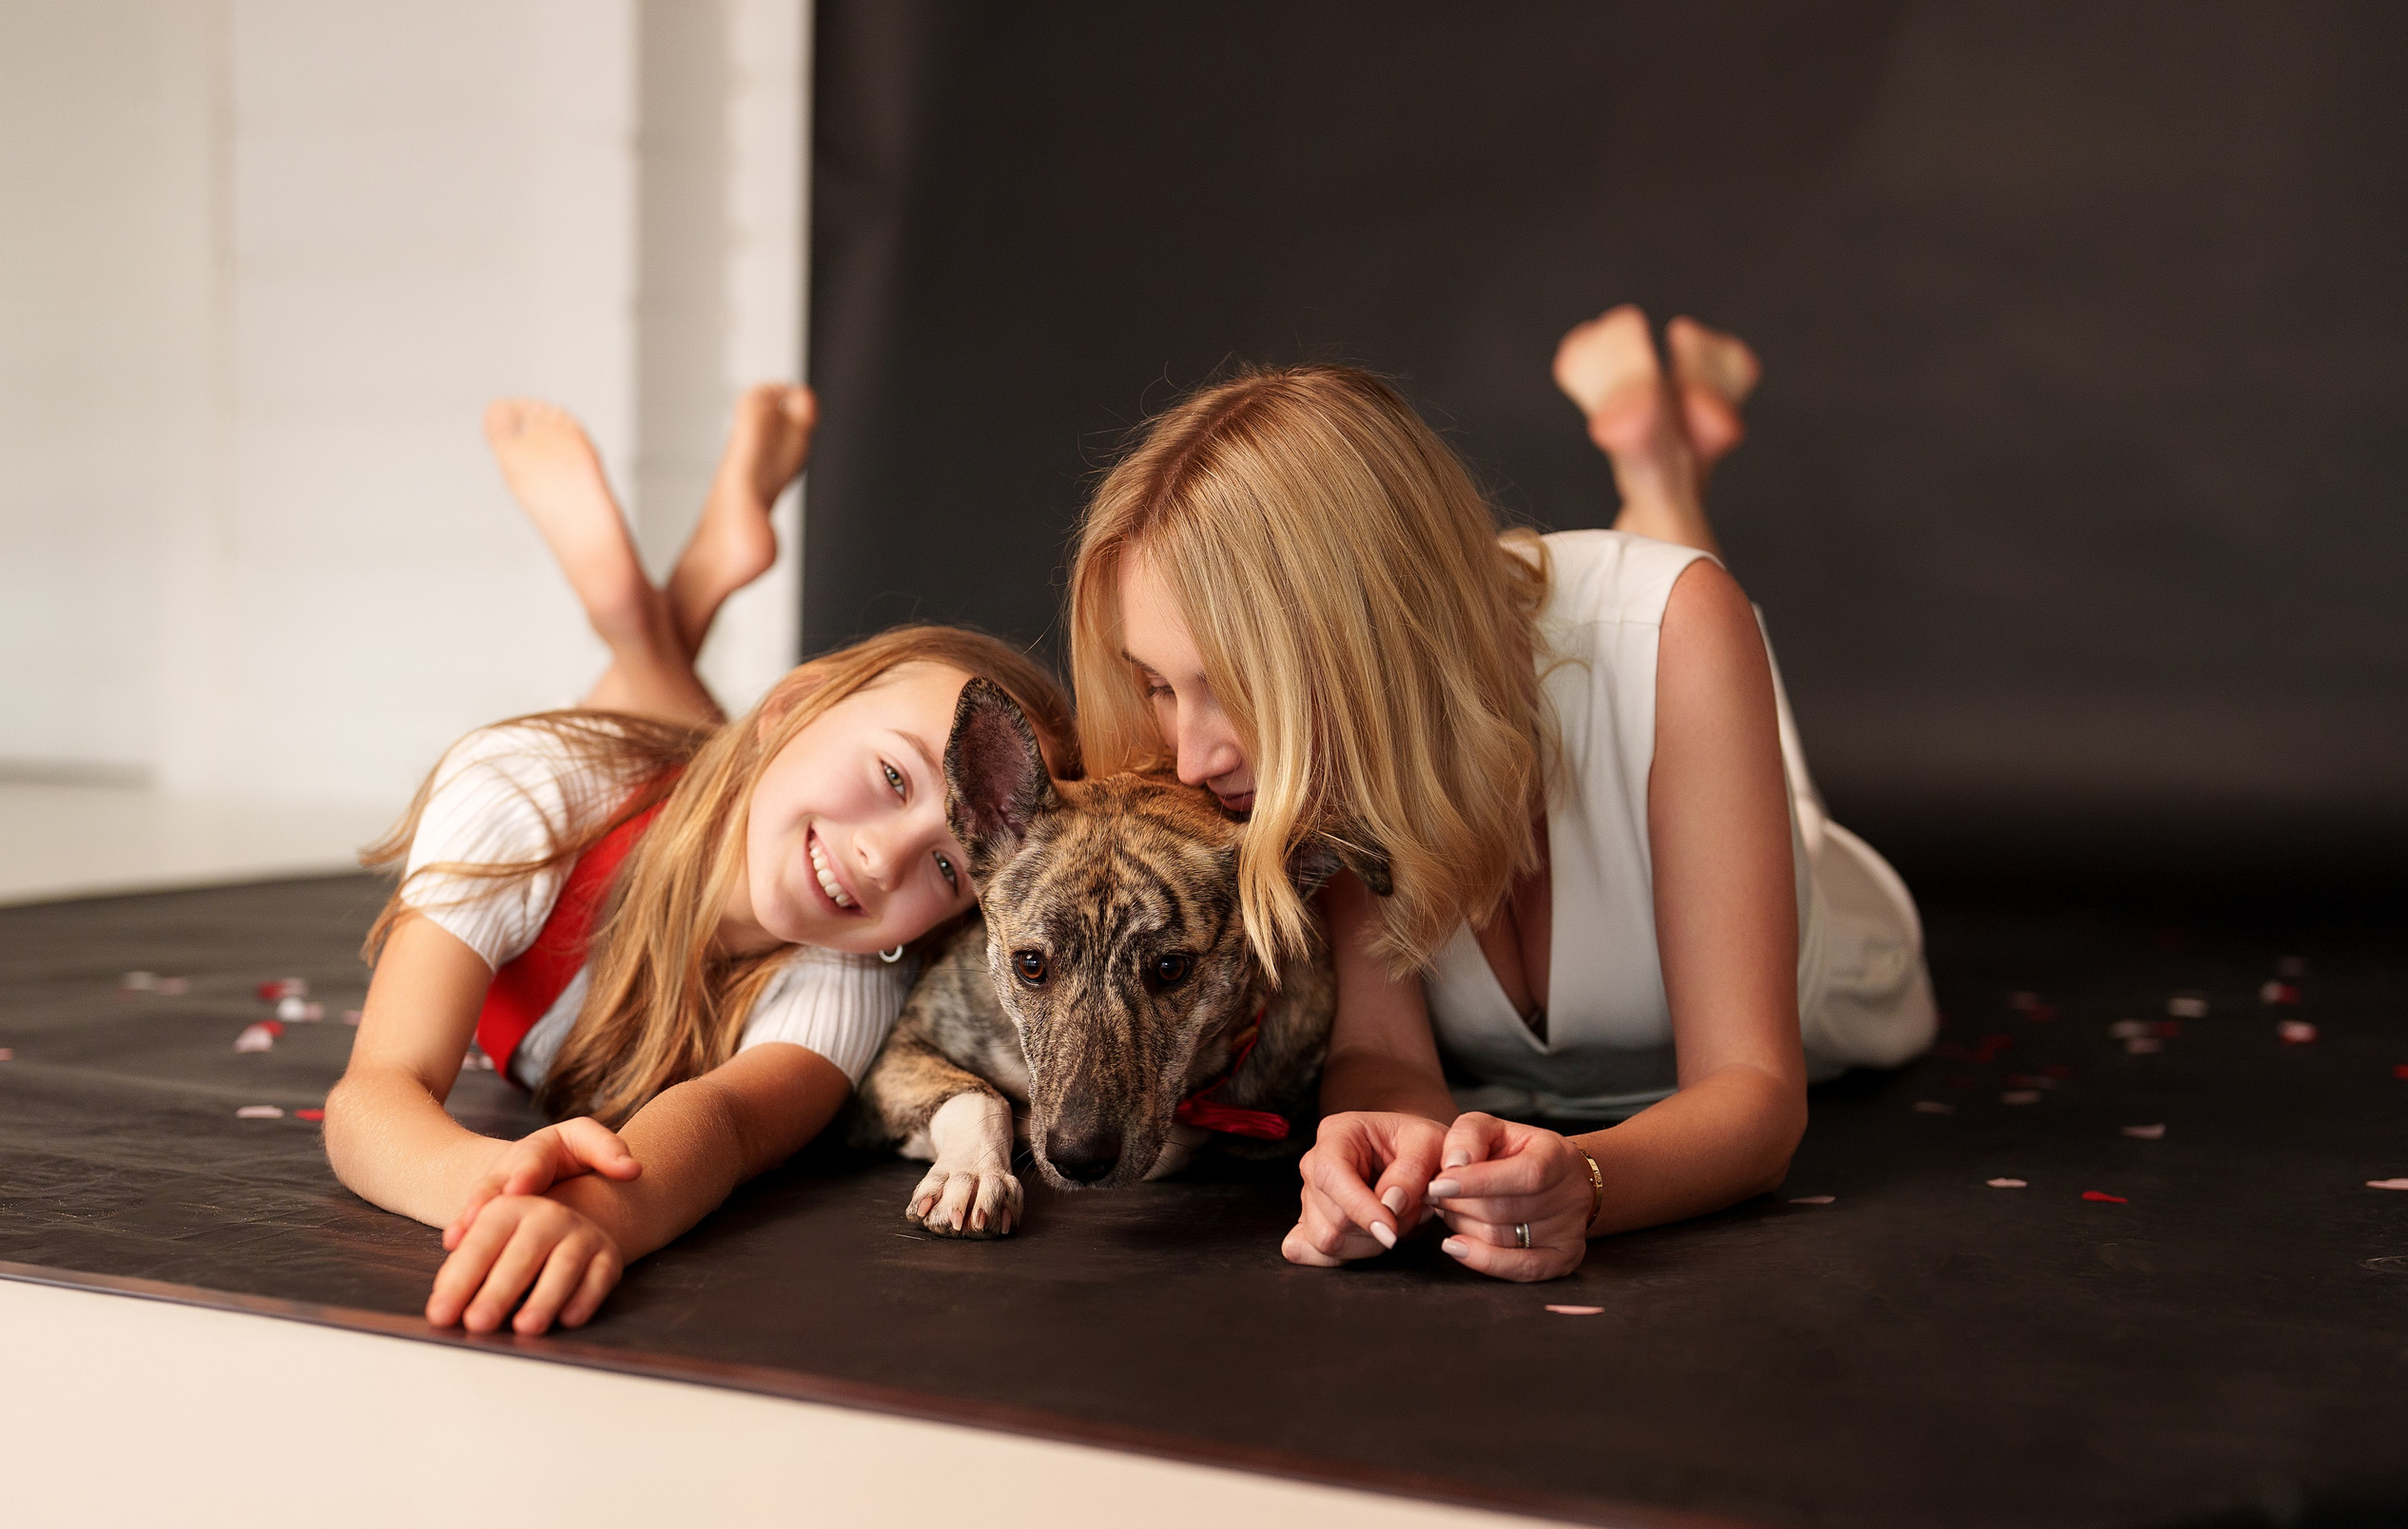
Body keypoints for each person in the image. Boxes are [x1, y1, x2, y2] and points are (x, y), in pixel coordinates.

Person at [1066, 306, 1934, 1283]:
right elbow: (1387, 1053)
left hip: (1834, 933)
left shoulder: (1674, 631)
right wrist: (1392, 1150)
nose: (1187, 758)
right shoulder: (1316, 772)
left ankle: (1660, 484)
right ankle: (1659, 470)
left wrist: (1588, 1184)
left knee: (1686, 627)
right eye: (1156, 684)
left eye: (1229, 684)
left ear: (1364, 639)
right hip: (1481, 668)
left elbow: (1756, 1097)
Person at [325, 388, 1077, 1334]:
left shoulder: (848, 983)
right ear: (789, 705)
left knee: (732, 776)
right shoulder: (524, 787)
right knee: (696, 767)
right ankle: (647, 614)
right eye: (892, 774)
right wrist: (492, 1181)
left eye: (947, 869)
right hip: (637, 793)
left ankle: (663, 606)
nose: (880, 856)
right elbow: (374, 1092)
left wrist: (596, 1214)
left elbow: (722, 1124)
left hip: (722, 789)